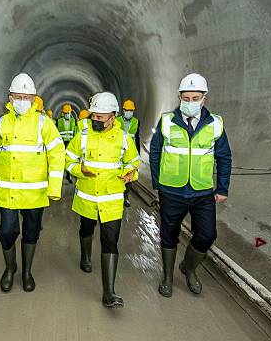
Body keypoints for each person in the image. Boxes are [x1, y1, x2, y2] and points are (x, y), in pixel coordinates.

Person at [149, 73, 232, 297]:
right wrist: (158, 183)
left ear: (204, 98)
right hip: (171, 190)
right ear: (179, 97)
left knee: (207, 235)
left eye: (195, 98)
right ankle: (167, 277)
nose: (190, 102)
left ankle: (189, 267)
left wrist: (222, 188)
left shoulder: (215, 124)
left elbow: (224, 156)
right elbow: (155, 152)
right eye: (186, 98)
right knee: (169, 234)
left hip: (202, 190)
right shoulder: (167, 121)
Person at [0, 73, 65, 293]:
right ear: (9, 98)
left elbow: (58, 153)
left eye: (26, 97)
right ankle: (10, 269)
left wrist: (54, 188)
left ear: (33, 99)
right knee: (7, 231)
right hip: (8, 193)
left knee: (31, 232)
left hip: (35, 194)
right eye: (17, 96)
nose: (22, 101)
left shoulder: (43, 124)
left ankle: (27, 271)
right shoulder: (1, 124)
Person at [65, 92, 140, 308]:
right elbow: (68, 158)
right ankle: (85, 256)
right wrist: (79, 170)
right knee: (86, 229)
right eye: (93, 116)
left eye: (100, 117)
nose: (95, 120)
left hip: (112, 200)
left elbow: (133, 162)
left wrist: (130, 174)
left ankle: (109, 292)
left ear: (113, 116)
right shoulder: (84, 135)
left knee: (110, 241)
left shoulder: (124, 139)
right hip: (87, 198)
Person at [119, 99, 140, 207]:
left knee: (129, 177)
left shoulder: (136, 122)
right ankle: (117, 196)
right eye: (127, 110)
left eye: (130, 110)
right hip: (119, 153)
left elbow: (137, 137)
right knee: (118, 176)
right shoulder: (117, 121)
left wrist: (138, 155)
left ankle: (125, 198)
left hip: (131, 153)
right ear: (123, 110)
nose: (128, 112)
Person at [58, 103, 77, 183]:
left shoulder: (73, 121)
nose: (67, 115)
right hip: (62, 143)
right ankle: (60, 175)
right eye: (65, 113)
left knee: (70, 160)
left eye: (68, 113)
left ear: (70, 112)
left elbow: (74, 132)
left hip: (70, 143)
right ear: (63, 113)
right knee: (62, 160)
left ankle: (68, 175)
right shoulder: (59, 121)